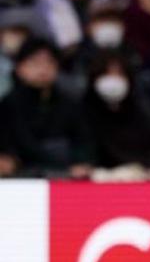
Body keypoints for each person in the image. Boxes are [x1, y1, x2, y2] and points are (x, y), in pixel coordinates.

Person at [0, 37, 93, 178]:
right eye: (35, 63)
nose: (43, 69)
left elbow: (83, 140)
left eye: (49, 62)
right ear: (19, 68)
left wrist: (81, 162)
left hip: (67, 173)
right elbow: (14, 145)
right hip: (22, 175)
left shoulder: (70, 103)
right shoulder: (8, 105)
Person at [83, 50, 150, 179]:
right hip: (100, 178)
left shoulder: (140, 110)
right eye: (107, 74)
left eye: (119, 74)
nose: (113, 80)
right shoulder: (84, 111)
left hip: (139, 175)